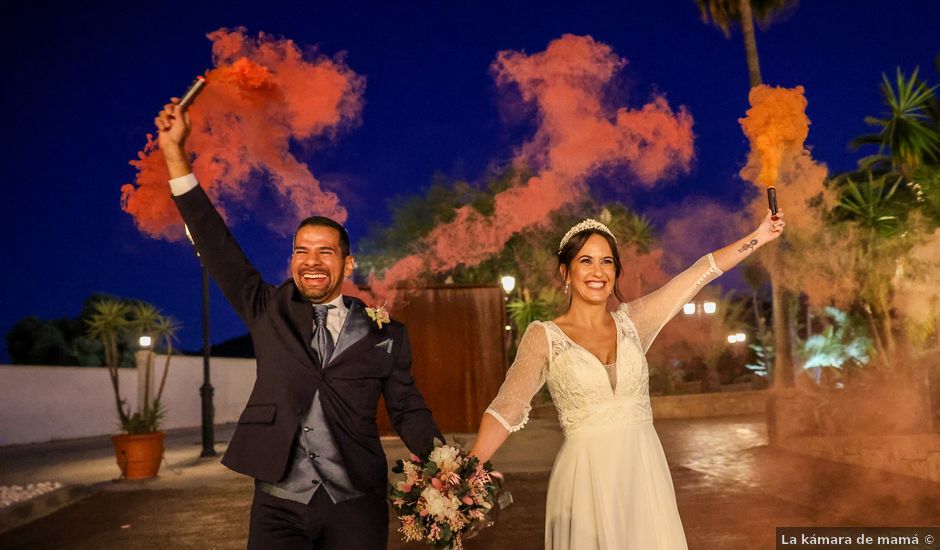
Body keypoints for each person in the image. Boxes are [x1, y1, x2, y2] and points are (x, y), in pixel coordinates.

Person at [154, 99, 444, 550]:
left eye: (325, 252)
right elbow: (215, 243)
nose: (311, 262)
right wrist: (175, 154)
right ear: (291, 259)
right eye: (301, 251)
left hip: (358, 503)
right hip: (278, 505)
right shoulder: (267, 308)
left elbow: (408, 410)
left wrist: (447, 466)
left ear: (347, 265)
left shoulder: (387, 333)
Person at [470, 213, 786, 549]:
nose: (598, 271)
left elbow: (699, 273)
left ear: (616, 271)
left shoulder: (633, 322)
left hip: (644, 473)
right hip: (585, 478)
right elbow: (506, 409)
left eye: (607, 261)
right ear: (565, 271)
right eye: (585, 261)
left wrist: (760, 236)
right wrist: (463, 472)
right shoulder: (543, 336)